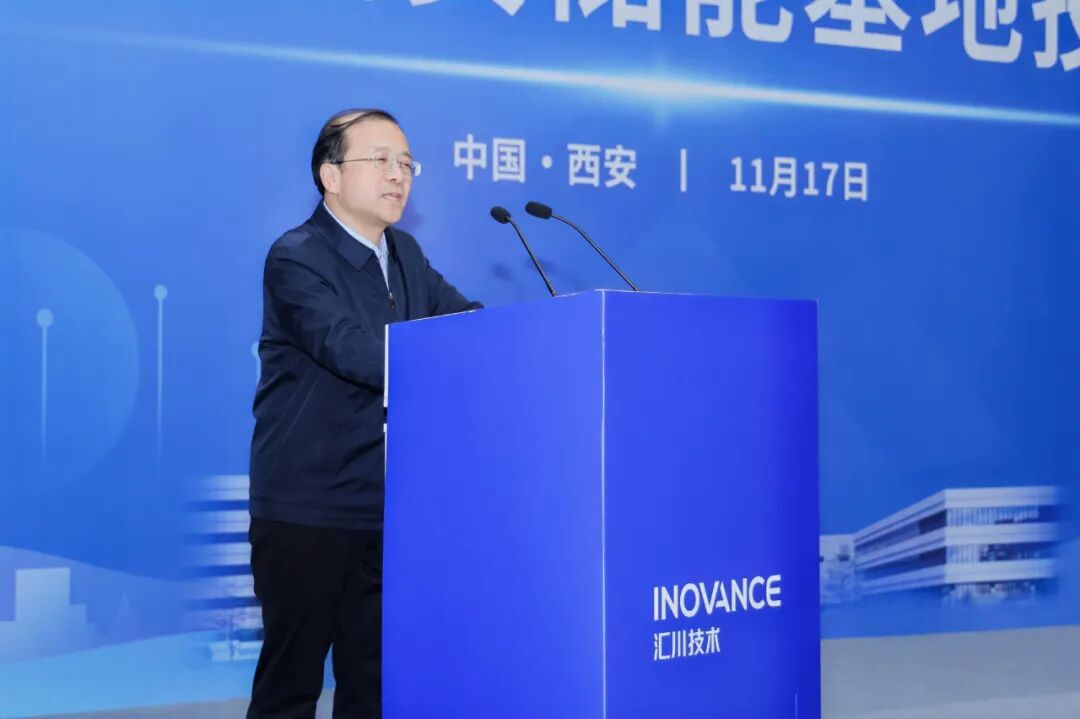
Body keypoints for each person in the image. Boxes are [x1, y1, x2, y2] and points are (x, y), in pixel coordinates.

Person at [247, 108, 481, 718]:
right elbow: (352, 350)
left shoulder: (405, 254)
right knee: (289, 689)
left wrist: (517, 340)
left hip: (388, 509)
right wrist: (448, 358)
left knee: (373, 687)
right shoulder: (296, 257)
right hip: (307, 508)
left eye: (406, 163)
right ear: (330, 176)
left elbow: (467, 323)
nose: (399, 175)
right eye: (381, 160)